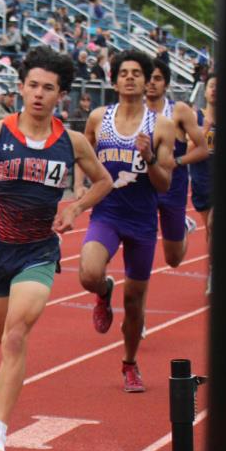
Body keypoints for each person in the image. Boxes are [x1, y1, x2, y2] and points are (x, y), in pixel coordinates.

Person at [0, 45, 113, 451]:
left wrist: (75, 209)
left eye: (48, 88)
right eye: (33, 86)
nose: (39, 94)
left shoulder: (72, 142)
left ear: (61, 94)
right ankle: (12, 379)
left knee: (15, 336)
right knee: (6, 341)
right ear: (21, 88)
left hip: (37, 252)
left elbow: (103, 181)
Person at [79, 49, 177, 393]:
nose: (130, 78)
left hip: (142, 221)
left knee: (134, 304)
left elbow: (164, 184)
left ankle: (130, 363)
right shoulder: (98, 118)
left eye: (137, 72)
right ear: (114, 80)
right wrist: (80, 187)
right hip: (107, 213)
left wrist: (149, 157)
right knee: (88, 273)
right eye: (124, 73)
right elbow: (83, 153)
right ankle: (103, 291)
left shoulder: (161, 125)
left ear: (146, 80)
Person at [142, 57, 209, 268]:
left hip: (173, 187)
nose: (152, 83)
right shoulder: (133, 112)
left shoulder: (178, 111)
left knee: (173, 259)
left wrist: (177, 161)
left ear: (166, 84)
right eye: (148, 78)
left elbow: (202, 149)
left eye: (158, 78)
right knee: (138, 238)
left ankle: (184, 226)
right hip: (144, 186)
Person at [189, 73, 217, 293]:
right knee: (210, 229)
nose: (215, 90)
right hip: (202, 180)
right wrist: (205, 129)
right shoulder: (195, 117)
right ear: (205, 91)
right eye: (211, 86)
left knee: (214, 225)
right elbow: (187, 148)